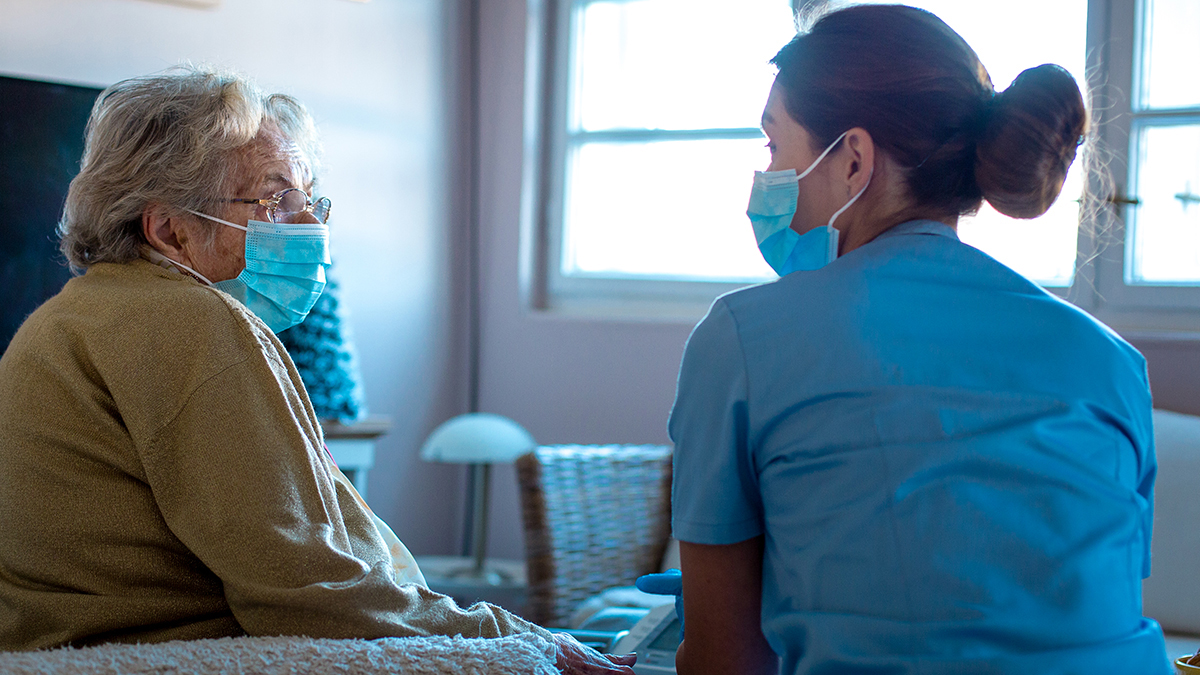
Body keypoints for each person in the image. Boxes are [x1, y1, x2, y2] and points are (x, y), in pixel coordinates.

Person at [0, 65, 633, 675]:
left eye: (311, 201)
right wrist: (518, 639)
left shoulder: (81, 313)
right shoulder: (190, 320)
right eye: (276, 200)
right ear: (171, 230)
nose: (310, 227)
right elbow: (309, 587)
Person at [660, 5, 1169, 674]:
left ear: (853, 160)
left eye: (774, 146)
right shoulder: (1114, 363)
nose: (768, 176)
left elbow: (727, 660)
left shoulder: (740, 340)